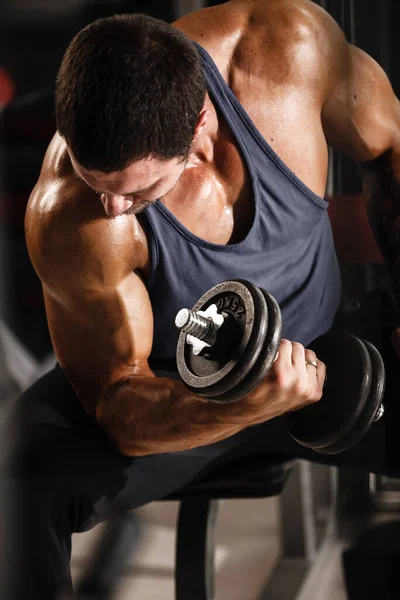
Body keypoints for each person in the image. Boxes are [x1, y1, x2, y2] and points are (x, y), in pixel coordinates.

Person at [3, 0, 400, 597]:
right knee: (18, 480)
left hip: (327, 351)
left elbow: (392, 146)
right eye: (96, 183)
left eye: (136, 190)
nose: (111, 207)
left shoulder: (291, 52)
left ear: (198, 128)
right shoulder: (70, 214)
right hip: (171, 389)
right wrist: (244, 405)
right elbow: (118, 403)